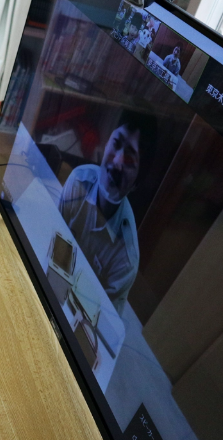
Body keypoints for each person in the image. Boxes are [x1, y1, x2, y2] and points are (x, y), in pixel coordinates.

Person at [57, 111, 155, 315]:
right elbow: (54, 240)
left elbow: (98, 318)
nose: (118, 162)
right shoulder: (78, 182)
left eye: (130, 156)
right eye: (116, 144)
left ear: (138, 180)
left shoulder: (126, 258)